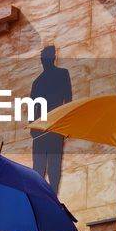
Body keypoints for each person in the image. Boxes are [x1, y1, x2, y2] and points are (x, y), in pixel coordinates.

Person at [29, 46, 71, 193]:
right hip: (40, 128)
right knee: (39, 166)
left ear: (52, 57)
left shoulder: (62, 74)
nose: (43, 61)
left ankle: (52, 195)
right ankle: (40, 195)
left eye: (44, 57)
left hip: (54, 125)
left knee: (54, 164)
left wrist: (66, 123)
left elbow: (68, 100)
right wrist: (32, 127)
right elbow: (32, 107)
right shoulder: (37, 82)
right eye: (42, 58)